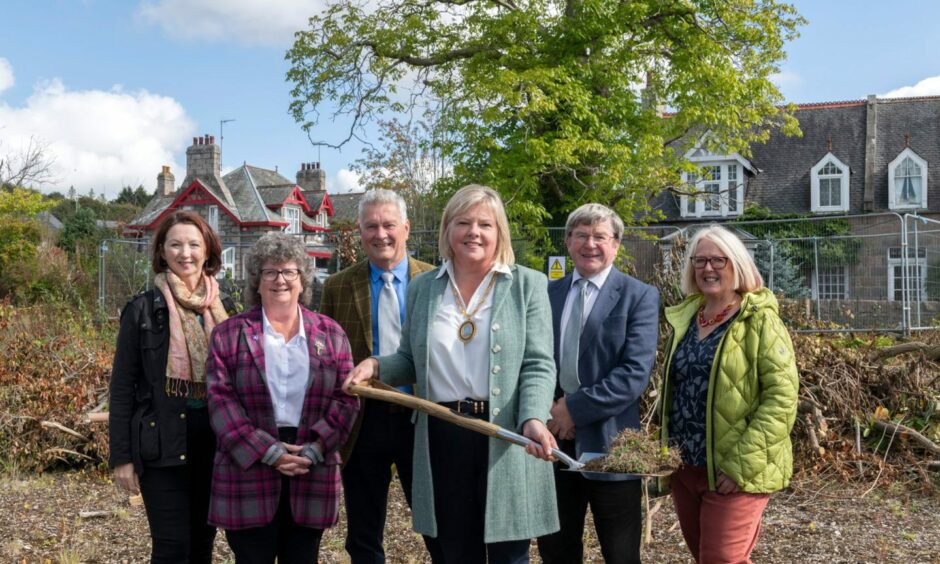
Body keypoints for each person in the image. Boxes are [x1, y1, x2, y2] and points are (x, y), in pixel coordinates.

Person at [344, 184, 559, 563]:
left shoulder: (527, 284)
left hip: (506, 434)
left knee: (510, 554)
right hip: (441, 435)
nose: (473, 232)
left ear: (499, 233)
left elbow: (538, 363)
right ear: (447, 230)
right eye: (463, 222)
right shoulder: (424, 287)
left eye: (485, 224)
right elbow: (410, 360)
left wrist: (534, 418)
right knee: (455, 552)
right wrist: (377, 365)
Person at [206, 232, 359, 563]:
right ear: (256, 281)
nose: (280, 280)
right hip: (248, 466)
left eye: (290, 271)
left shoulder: (332, 334)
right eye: (270, 272)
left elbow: (346, 399)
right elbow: (221, 402)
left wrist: (318, 448)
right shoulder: (228, 335)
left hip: (311, 466)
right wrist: (268, 451)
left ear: (303, 281)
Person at [659, 224, 798, 563]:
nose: (708, 268)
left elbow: (781, 399)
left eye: (718, 260)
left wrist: (739, 466)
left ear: (737, 264)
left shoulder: (760, 321)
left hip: (734, 471)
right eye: (700, 260)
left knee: (721, 559)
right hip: (686, 466)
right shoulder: (687, 318)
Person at [536, 204, 660, 564]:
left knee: (620, 554)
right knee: (556, 551)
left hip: (612, 446)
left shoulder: (639, 296)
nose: (590, 244)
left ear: (616, 245)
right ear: (569, 242)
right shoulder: (547, 294)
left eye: (600, 237)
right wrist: (551, 414)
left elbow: (633, 374)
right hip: (551, 442)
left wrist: (572, 410)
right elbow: (534, 361)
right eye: (581, 235)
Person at [319, 189, 438, 563]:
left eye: (389, 224)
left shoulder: (435, 282)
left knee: (438, 523)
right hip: (363, 421)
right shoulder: (338, 287)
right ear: (360, 231)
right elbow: (325, 358)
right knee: (364, 532)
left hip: (422, 416)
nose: (380, 234)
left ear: (405, 227)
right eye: (371, 226)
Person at [108, 210, 232, 563]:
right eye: (175, 244)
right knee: (172, 548)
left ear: (208, 251)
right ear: (161, 252)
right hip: (160, 445)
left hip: (215, 443)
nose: (185, 253)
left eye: (194, 244)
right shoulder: (142, 311)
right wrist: (122, 458)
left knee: (202, 546)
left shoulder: (227, 309)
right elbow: (121, 389)